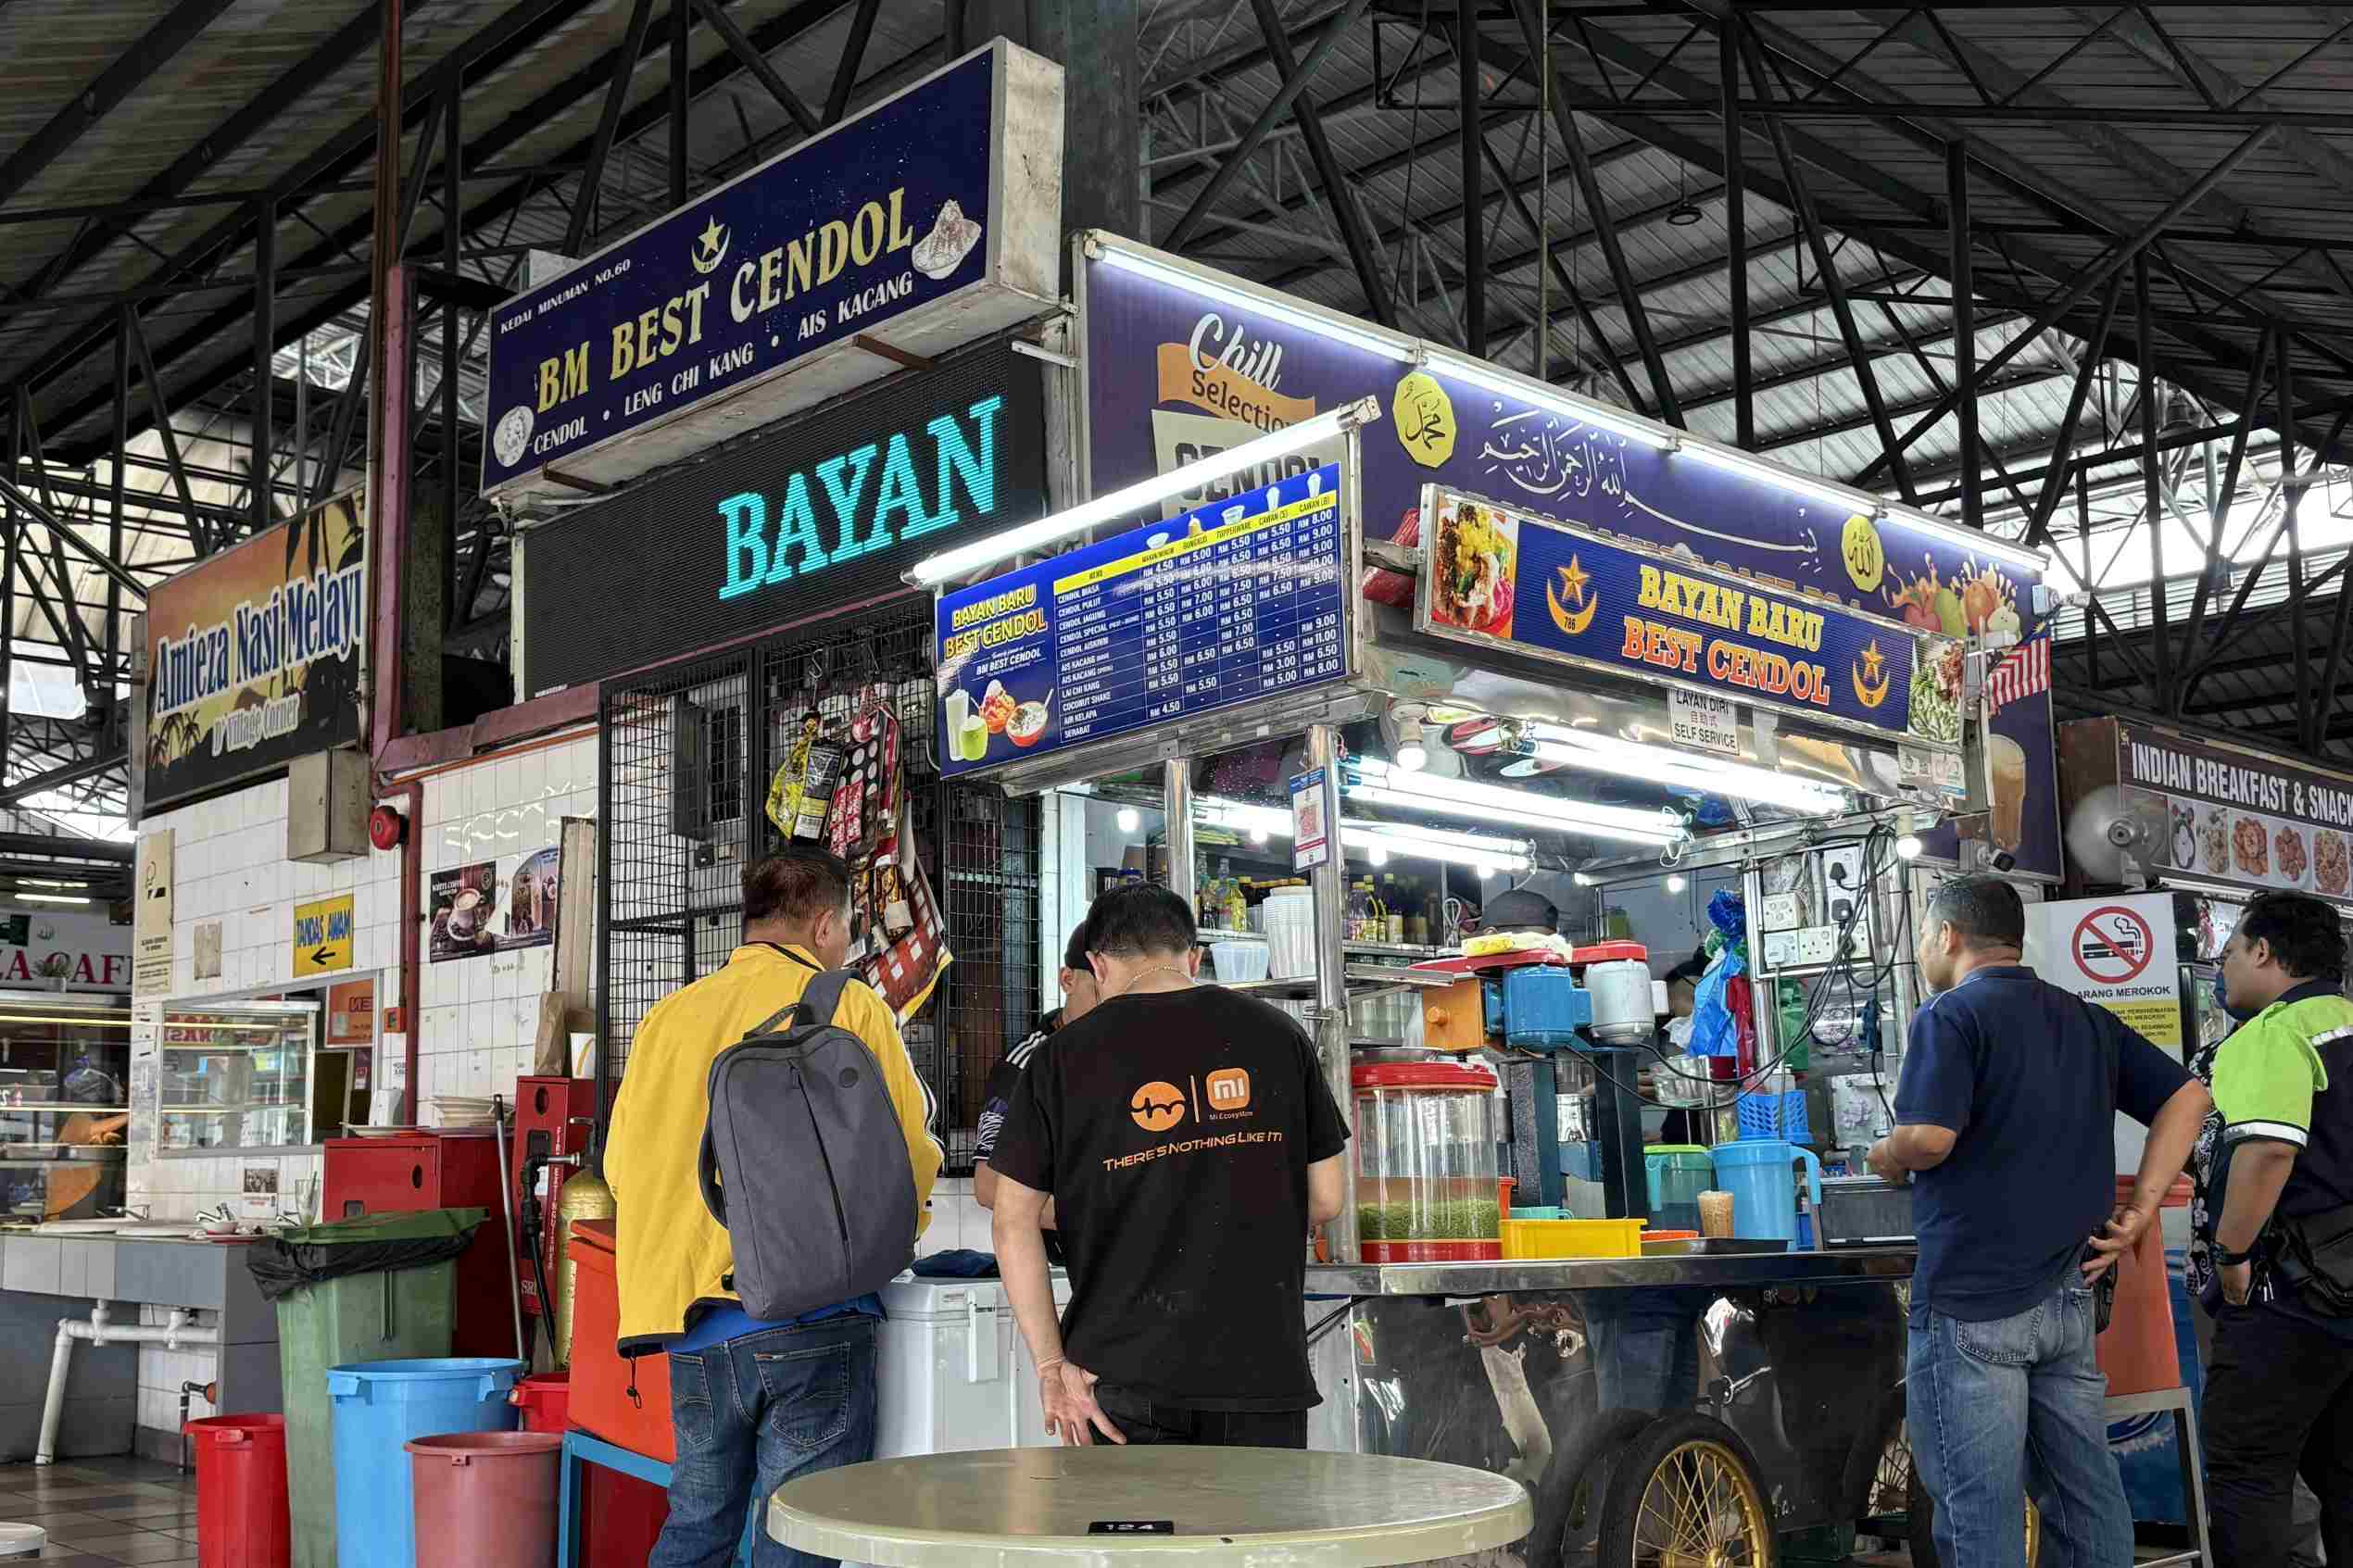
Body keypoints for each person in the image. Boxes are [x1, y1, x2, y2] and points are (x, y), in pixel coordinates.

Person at [607, 847, 943, 1568]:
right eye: (847, 928)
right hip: (811, 1317)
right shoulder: (849, 1005)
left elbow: (619, 1168)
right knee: (797, 1536)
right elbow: (909, 1157)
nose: (847, 943)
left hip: (691, 1326)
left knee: (697, 1526)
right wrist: (897, 1235)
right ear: (823, 925)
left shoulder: (667, 1018)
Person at [1868, 875, 2209, 1568]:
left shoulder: (1949, 1013)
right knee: (2085, 1504)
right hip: (2068, 1300)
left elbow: (1928, 1138)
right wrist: (2140, 1210)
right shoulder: (2083, 1018)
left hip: (1974, 1304)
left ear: (1947, 936)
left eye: (1926, 937)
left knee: (1979, 1511)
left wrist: (1887, 1153)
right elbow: (2189, 1097)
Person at [988, 881, 1349, 1448]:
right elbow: (1326, 1197)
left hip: (1118, 1380)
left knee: (1136, 1512)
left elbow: (1011, 1219)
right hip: (1260, 1376)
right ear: (1194, 958)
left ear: (1097, 966)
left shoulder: (1061, 1058)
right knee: (1260, 1512)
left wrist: (1051, 1366)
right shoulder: (1280, 1035)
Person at [2188, 891, 2353, 1568]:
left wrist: (2232, 1257)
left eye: (2229, 952)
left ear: (2263, 952)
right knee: (2345, 1474)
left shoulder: (2271, 1035)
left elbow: (2267, 1151)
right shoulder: (2346, 1023)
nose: (2222, 967)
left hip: (2289, 1296)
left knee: (2246, 1468)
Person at [973, 916, 1100, 1220]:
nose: (1112, 1006)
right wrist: (1094, 1221)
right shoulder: (1023, 1067)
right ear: (1067, 979)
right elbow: (988, 1186)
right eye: (1098, 991)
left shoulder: (1125, 1052)